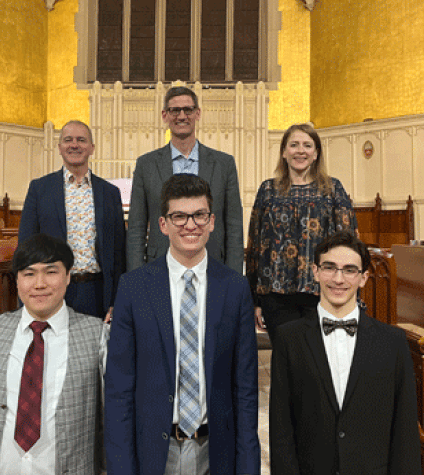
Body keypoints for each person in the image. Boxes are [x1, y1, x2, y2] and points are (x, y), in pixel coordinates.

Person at [105, 174, 260, 475]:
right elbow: (119, 390)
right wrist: (122, 471)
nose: (191, 225)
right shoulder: (134, 288)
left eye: (199, 215)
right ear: (163, 224)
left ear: (212, 221)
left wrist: (248, 472)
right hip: (153, 453)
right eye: (179, 216)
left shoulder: (235, 288)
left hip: (215, 452)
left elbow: (245, 389)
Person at [0, 233, 109, 475]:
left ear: (67, 277)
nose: (39, 284)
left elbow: (111, 423)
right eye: (29, 274)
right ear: (17, 281)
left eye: (51, 272)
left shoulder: (98, 335)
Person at [270, 231, 421, 475]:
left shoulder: (392, 342)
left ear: (363, 278)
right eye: (329, 267)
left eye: (349, 270)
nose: (338, 279)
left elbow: (405, 433)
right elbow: (281, 430)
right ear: (315, 271)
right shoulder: (289, 339)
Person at [246, 123, 358, 343]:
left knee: (318, 363)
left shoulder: (332, 189)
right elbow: (255, 245)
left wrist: (350, 295)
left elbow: (350, 245)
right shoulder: (268, 190)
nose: (300, 151)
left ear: (316, 153)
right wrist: (255, 300)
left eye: (308, 145)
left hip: (323, 293)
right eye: (294, 145)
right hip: (275, 296)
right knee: (284, 360)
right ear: (284, 152)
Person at [127, 86, 244, 274]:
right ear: (165, 115)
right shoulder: (146, 165)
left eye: (188, 110)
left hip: (213, 265)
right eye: (175, 110)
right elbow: (135, 230)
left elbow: (234, 228)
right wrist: (136, 281)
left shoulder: (224, 164)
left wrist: (235, 279)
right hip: (160, 267)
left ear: (197, 114)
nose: (182, 116)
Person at [19, 120, 126, 323]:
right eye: (68, 140)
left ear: (92, 148)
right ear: (59, 148)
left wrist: (116, 300)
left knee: (95, 353)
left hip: (97, 292)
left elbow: (118, 252)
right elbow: (25, 248)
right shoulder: (40, 189)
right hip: (51, 290)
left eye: (81, 140)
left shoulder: (110, 193)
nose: (74, 145)